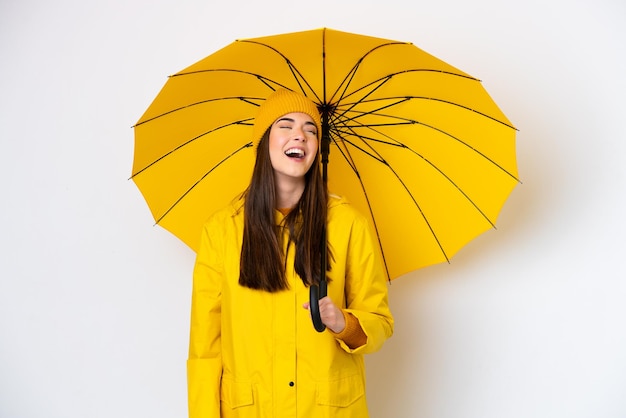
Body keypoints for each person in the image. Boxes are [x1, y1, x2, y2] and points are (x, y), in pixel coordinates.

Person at [187, 89, 394, 418]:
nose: (300, 135)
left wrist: (344, 323)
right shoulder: (222, 229)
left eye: (311, 130)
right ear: (264, 141)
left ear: (317, 149)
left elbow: (380, 321)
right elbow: (205, 348)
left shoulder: (347, 223)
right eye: (286, 125)